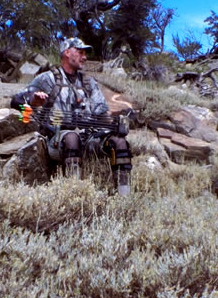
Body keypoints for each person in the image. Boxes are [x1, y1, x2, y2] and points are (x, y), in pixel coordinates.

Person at [11, 36, 132, 194]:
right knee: (71, 139)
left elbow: (102, 113)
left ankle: (124, 197)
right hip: (58, 139)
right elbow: (16, 101)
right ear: (67, 53)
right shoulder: (47, 78)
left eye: (85, 53)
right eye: (80, 52)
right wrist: (34, 101)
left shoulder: (89, 83)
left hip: (88, 139)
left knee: (120, 142)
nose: (85, 57)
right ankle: (74, 195)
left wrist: (115, 124)